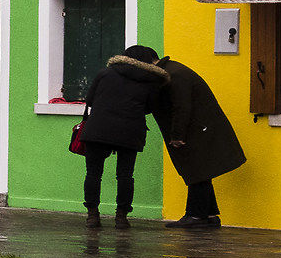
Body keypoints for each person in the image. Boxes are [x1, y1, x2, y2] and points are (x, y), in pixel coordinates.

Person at [141, 44, 245, 228]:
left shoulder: (173, 74)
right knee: (201, 171)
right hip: (202, 128)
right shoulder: (171, 70)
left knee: (196, 171)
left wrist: (177, 135)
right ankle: (210, 215)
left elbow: (182, 106)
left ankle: (196, 216)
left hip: (196, 130)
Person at [77, 45, 167, 228]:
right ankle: (121, 217)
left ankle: (92, 215)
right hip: (130, 131)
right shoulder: (149, 80)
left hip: (98, 130)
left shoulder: (105, 73)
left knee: (93, 174)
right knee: (125, 175)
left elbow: (90, 100)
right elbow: (150, 107)